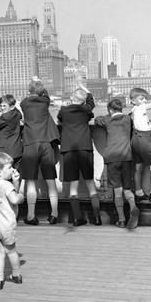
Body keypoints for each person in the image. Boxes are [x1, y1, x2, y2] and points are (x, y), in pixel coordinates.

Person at [57, 78, 101, 226]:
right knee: (90, 182)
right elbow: (91, 101)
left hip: (68, 149)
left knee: (73, 185)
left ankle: (77, 217)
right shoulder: (85, 110)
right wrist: (85, 89)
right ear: (83, 102)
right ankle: (96, 217)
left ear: (71, 98)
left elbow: (59, 119)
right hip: (85, 148)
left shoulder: (64, 110)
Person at [19, 77, 61, 225]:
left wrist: (32, 81)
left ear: (29, 91)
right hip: (46, 143)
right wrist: (39, 82)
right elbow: (46, 95)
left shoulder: (24, 103)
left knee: (30, 180)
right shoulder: (45, 102)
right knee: (50, 179)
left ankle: (31, 215)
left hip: (30, 143)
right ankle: (54, 214)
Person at [95, 99, 139, 229]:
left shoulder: (107, 120)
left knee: (117, 190)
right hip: (126, 156)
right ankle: (133, 206)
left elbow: (97, 119)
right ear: (122, 109)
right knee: (127, 187)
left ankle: (121, 219)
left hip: (112, 157)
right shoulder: (127, 119)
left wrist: (105, 117)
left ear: (109, 110)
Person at [0, 152, 25, 290]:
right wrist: (21, 196)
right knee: (11, 251)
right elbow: (14, 200)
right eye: (10, 168)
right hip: (5, 224)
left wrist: (16, 182)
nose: (13, 169)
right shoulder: (6, 185)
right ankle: (16, 275)